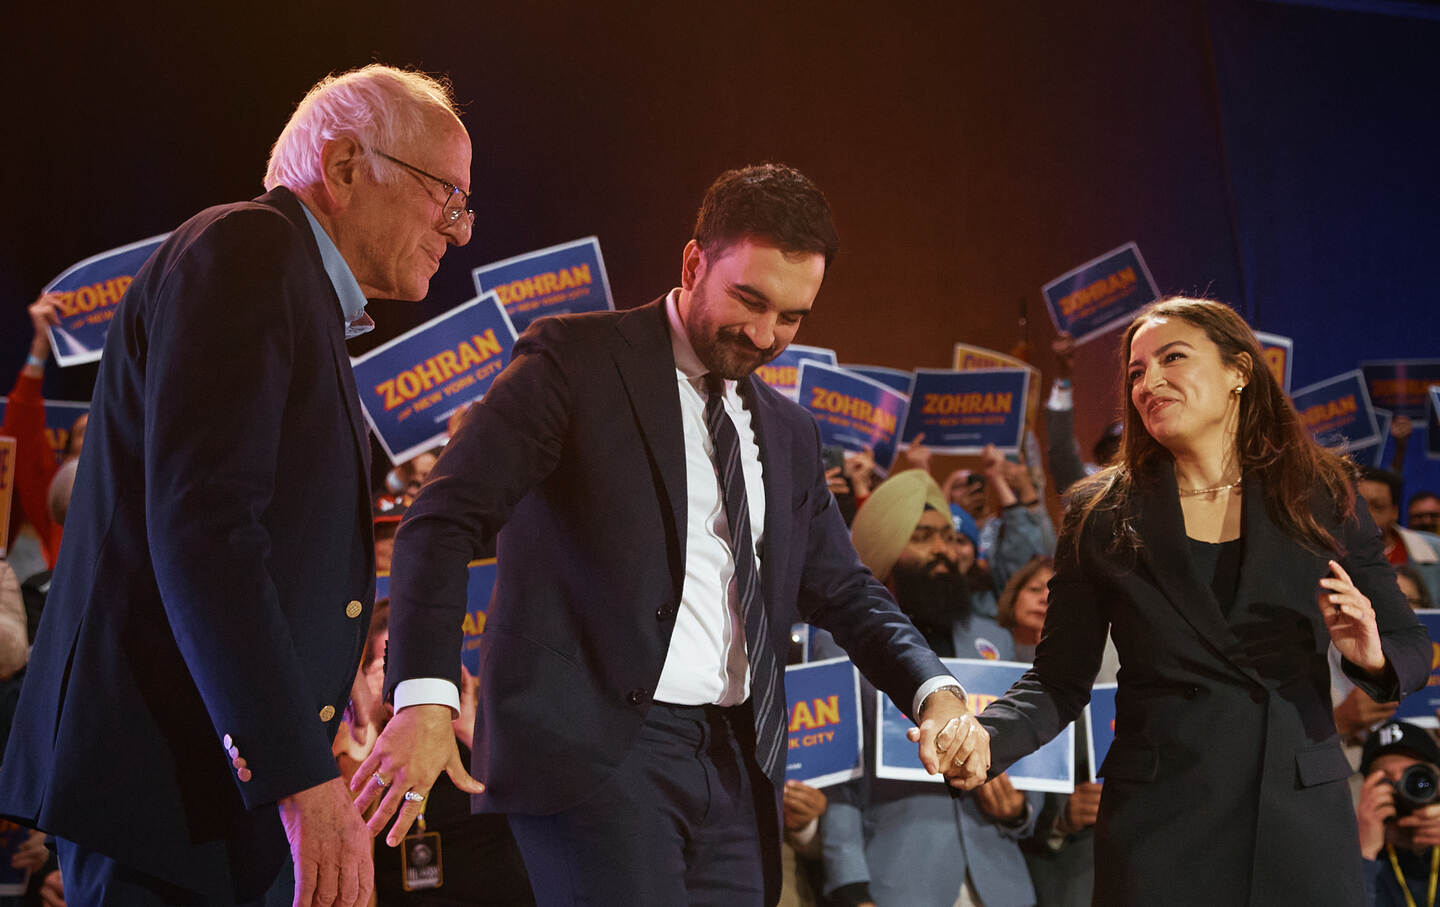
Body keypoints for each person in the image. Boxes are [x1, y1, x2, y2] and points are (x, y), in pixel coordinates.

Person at [358, 163, 986, 906]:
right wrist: (424, 695)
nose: (765, 334)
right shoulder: (572, 359)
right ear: (694, 263)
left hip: (737, 760)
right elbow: (443, 516)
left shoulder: (789, 432)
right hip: (596, 753)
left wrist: (934, 689)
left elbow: (846, 589)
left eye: (791, 318)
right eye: (749, 300)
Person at [0, 63, 474, 905]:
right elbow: (210, 531)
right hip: (161, 797)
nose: (460, 229)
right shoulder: (249, 251)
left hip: (197, 799)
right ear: (342, 167)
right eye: (446, 194)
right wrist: (300, 776)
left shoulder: (289, 284)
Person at [965, 297, 1432, 905]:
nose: (1148, 382)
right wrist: (985, 737)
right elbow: (1057, 680)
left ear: (1240, 371)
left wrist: (1370, 656)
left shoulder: (1318, 493)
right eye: (1135, 372)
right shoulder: (1100, 514)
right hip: (1162, 825)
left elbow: (1411, 647)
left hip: (1296, 820)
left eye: (1171, 358)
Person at [818, 469, 1042, 907]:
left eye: (946, 536)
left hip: (1002, 885)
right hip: (894, 883)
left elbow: (1029, 758)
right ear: (883, 548)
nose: (942, 550)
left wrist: (1018, 810)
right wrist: (850, 885)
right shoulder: (838, 647)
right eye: (921, 537)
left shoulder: (994, 641)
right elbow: (836, 778)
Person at [1355, 721, 1440, 906]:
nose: (1401, 789)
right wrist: (1364, 854)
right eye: (1385, 780)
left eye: (1415, 778)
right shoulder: (1348, 857)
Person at [1360, 467, 1440, 602]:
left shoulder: (1435, 549)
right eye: (1359, 506)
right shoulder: (1329, 555)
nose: (1366, 515)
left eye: (1378, 506)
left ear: (1395, 512)